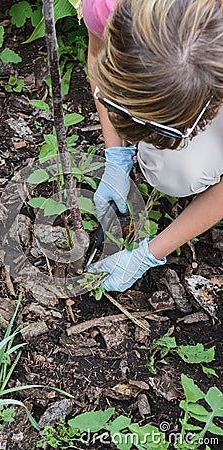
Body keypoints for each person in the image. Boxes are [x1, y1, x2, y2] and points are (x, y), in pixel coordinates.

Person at [83, 0, 223, 292]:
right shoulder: (109, 7)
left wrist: (148, 254)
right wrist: (116, 155)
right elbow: (98, 57)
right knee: (168, 168)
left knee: (180, 170)